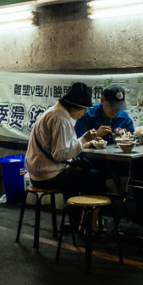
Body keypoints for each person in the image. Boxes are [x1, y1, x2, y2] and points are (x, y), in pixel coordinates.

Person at [25, 82, 103, 228]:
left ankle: (77, 222)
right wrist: (84, 140)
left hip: (39, 173)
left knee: (77, 174)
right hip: (46, 176)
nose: (85, 112)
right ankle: (90, 226)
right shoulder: (60, 118)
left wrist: (84, 142)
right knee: (95, 177)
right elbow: (59, 154)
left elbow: (62, 148)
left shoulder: (54, 112)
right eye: (84, 108)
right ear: (74, 105)